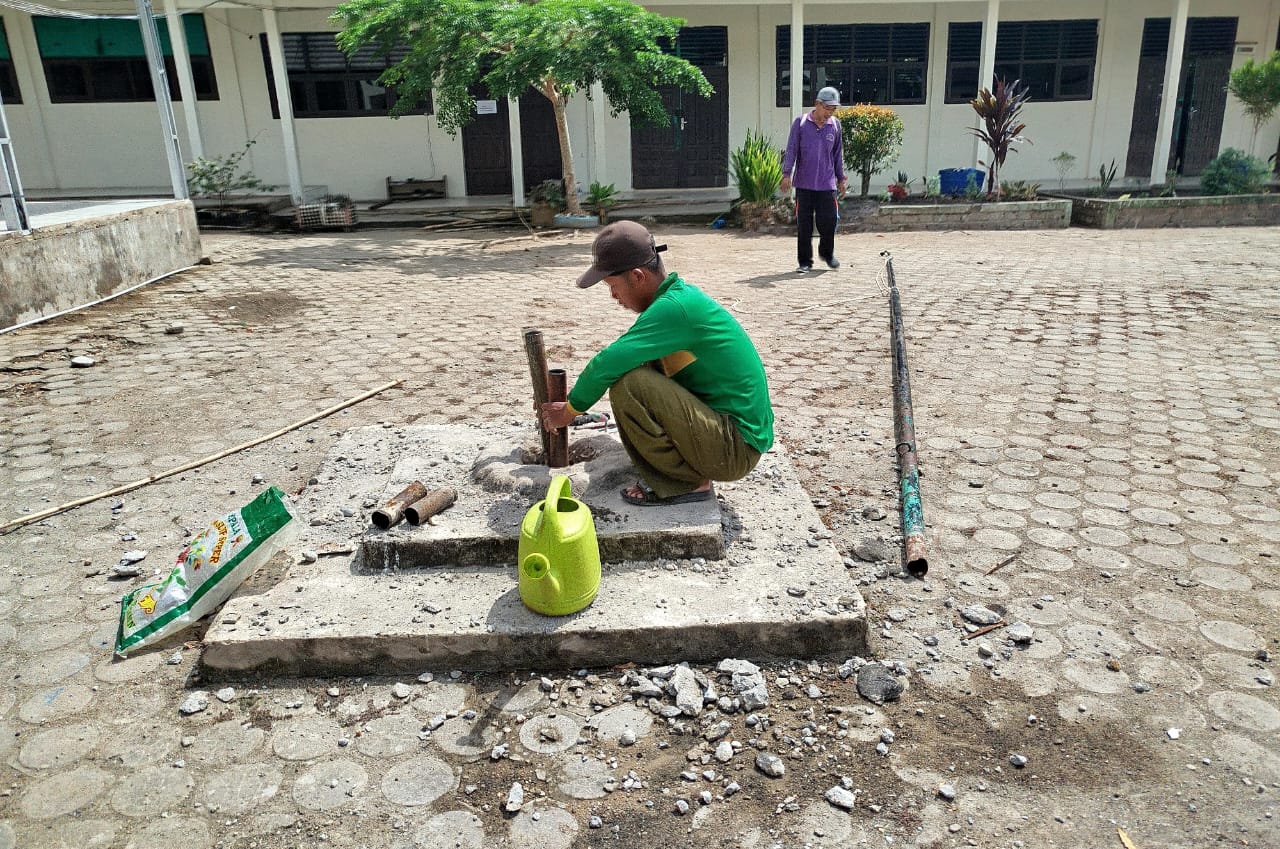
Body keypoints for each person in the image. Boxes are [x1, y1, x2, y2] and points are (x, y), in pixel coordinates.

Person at [539, 221, 774, 507]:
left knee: (630, 385)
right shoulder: (676, 301)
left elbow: (607, 362)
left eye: (613, 286)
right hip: (732, 438)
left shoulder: (675, 309)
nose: (613, 296)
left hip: (735, 449)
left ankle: (685, 482)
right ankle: (686, 471)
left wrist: (570, 409)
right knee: (641, 365)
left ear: (637, 276)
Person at [780, 86, 849, 274]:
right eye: (827, 108)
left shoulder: (834, 125)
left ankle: (827, 254)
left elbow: (837, 155)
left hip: (827, 184)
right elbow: (792, 149)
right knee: (804, 224)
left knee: (829, 221)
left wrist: (841, 178)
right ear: (817, 104)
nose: (830, 113)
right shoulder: (800, 123)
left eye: (833, 109)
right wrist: (786, 174)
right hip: (804, 183)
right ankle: (805, 262)